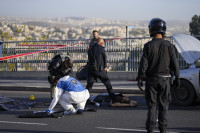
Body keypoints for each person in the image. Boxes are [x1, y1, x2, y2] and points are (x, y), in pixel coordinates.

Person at [137, 18, 180, 133]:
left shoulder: (148, 45)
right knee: (164, 106)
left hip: (151, 80)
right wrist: (177, 77)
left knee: (152, 106)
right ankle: (163, 129)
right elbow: (174, 63)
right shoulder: (169, 45)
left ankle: (150, 129)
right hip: (165, 80)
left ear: (152, 29)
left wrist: (140, 77)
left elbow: (143, 64)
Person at [86, 38, 117, 103]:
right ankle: (114, 99)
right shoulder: (101, 49)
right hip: (99, 70)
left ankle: (85, 99)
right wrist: (105, 67)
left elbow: (89, 59)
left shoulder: (90, 48)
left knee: (89, 86)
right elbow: (104, 58)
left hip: (91, 70)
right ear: (101, 43)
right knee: (108, 85)